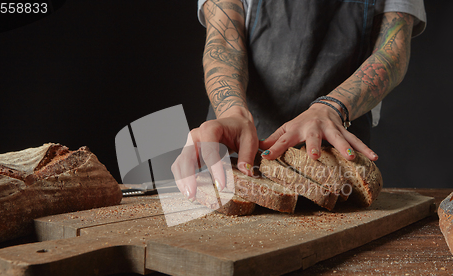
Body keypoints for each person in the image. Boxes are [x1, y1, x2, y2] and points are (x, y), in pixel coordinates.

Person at [172, 0, 426, 199]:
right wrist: (232, 112)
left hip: (332, 150)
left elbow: (392, 50)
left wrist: (331, 108)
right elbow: (224, 39)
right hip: (238, 147)